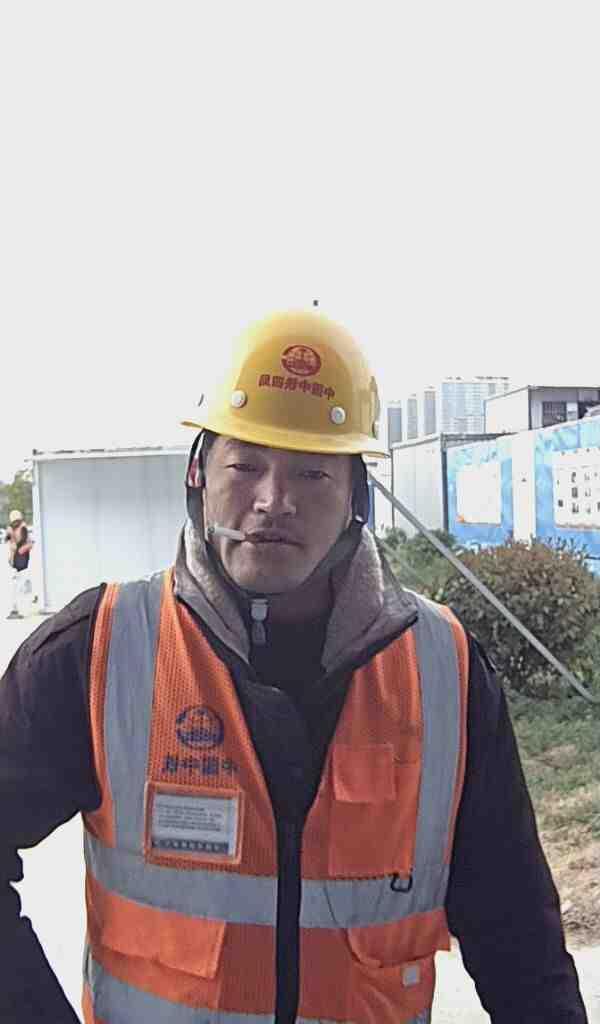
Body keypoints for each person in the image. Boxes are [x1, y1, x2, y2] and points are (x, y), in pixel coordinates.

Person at [0, 310, 588, 1024]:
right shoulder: (98, 651)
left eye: (312, 472)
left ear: (355, 496)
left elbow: (517, 933)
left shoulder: (445, 671)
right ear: (199, 473)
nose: (274, 502)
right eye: (246, 465)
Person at [4, 509, 33, 619]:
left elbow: (23, 543)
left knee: (20, 585)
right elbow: (8, 541)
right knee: (16, 585)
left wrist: (19, 548)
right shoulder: (13, 529)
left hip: (21, 561)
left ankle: (19, 608)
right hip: (16, 561)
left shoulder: (22, 528)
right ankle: (15, 608)